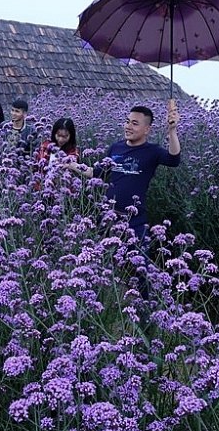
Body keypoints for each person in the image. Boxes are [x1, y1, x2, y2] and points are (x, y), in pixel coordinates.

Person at [66, 101, 181, 304]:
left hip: (135, 221)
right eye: (127, 121)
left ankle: (144, 310)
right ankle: (102, 305)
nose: (128, 126)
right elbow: (97, 173)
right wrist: (72, 165)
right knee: (100, 266)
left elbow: (174, 160)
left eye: (135, 123)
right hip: (108, 218)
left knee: (141, 268)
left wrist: (172, 131)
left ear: (147, 129)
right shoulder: (116, 148)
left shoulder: (152, 151)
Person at [35, 117, 79, 189]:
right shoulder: (45, 146)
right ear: (54, 133)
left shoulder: (73, 151)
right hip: (42, 187)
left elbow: (70, 172)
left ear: (71, 136)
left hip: (62, 189)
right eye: (58, 135)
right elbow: (38, 167)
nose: (60, 139)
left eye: (65, 136)